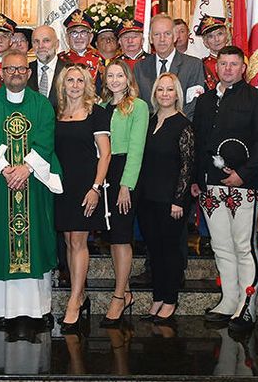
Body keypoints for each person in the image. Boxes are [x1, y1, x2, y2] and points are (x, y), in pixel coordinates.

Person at [0, 50, 62, 325]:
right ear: (1, 73)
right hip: (1, 185)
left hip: (33, 184)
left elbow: (46, 138)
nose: (15, 73)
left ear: (29, 72)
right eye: (10, 69)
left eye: (21, 69)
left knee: (34, 239)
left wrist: (26, 168)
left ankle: (36, 309)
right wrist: (6, 169)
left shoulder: (42, 104)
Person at [192, 46, 258, 329]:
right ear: (216, 67)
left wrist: (244, 173)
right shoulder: (205, 100)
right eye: (222, 64)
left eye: (233, 64)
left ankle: (246, 306)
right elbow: (198, 143)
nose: (227, 69)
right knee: (222, 247)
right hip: (210, 187)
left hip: (244, 186)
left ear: (243, 68)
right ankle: (228, 300)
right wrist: (195, 180)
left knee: (243, 246)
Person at [53, 64, 112, 331]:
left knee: (78, 241)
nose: (74, 85)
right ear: (62, 85)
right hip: (61, 187)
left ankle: (74, 301)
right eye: (70, 80)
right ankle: (81, 294)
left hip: (85, 186)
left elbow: (106, 154)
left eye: (79, 80)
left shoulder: (96, 113)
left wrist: (96, 188)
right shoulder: (57, 113)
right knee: (68, 241)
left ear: (87, 84)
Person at [138, 73, 195, 325]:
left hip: (171, 201)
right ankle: (158, 297)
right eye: (160, 89)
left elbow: (187, 166)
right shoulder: (149, 122)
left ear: (177, 94)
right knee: (155, 251)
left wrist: (178, 201)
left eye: (169, 90)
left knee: (171, 252)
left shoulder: (183, 125)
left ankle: (170, 299)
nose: (164, 94)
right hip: (147, 198)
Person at [100, 59, 148, 325]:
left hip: (124, 173)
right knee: (113, 237)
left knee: (121, 236)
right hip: (105, 172)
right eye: (110, 75)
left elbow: (137, 148)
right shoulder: (100, 107)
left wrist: (125, 186)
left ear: (128, 79)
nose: (115, 80)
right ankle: (125, 290)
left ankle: (118, 296)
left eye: (120, 75)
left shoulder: (138, 107)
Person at [134, 14, 206, 117]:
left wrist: (172, 125)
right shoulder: (140, 67)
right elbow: (138, 104)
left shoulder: (193, 65)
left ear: (175, 36)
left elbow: (194, 103)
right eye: (157, 34)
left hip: (180, 127)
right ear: (150, 38)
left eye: (167, 34)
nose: (162, 39)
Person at [58, 10, 105, 92]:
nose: (79, 37)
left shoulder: (100, 61)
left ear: (90, 37)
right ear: (67, 38)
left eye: (83, 32)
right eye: (74, 33)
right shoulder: (60, 60)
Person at [28, 25, 66, 112]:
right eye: (36, 41)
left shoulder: (69, 70)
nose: (40, 46)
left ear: (56, 44)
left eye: (46, 41)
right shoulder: (24, 71)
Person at [195, 16, 229, 90]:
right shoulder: (201, 66)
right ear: (205, 43)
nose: (216, 39)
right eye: (210, 36)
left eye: (220, 34)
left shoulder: (238, 61)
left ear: (227, 36)